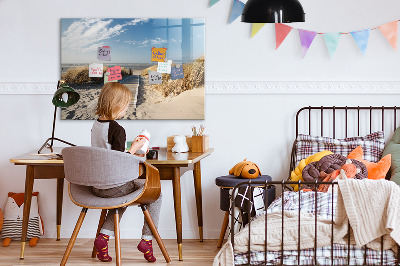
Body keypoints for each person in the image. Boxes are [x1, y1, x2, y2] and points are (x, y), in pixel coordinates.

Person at [91, 82, 162, 263]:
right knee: (156, 194)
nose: (126, 109)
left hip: (97, 186)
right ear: (116, 104)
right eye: (126, 105)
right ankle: (147, 240)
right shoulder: (117, 129)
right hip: (114, 186)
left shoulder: (96, 125)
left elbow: (108, 154)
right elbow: (119, 161)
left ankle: (104, 238)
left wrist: (132, 150)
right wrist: (136, 148)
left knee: (121, 198)